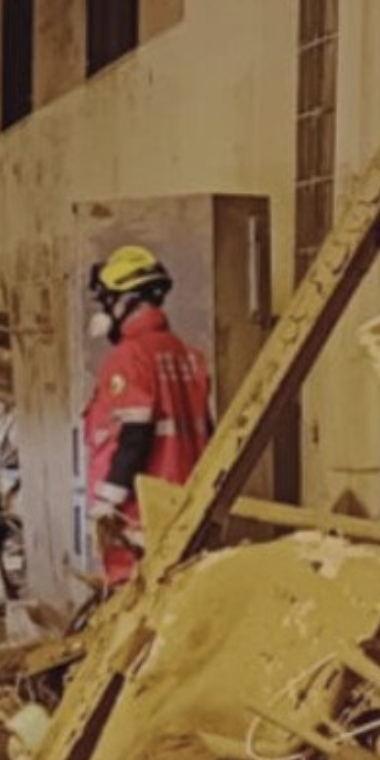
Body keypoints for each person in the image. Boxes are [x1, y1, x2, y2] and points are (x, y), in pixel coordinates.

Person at [80, 245, 215, 587]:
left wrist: (108, 502)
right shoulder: (188, 356)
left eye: (109, 300)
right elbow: (209, 433)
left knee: (138, 605)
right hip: (187, 503)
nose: (106, 310)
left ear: (127, 300)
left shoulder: (130, 357)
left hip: (142, 512)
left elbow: (134, 437)